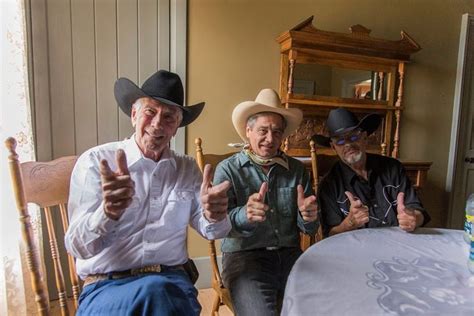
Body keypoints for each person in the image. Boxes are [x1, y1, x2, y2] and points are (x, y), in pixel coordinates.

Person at [64, 70, 232, 315]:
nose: (157, 124)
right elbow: (77, 247)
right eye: (150, 112)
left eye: (169, 118)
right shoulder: (96, 162)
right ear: (134, 115)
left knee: (159, 291)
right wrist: (107, 213)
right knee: (157, 294)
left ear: (176, 127)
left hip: (171, 283)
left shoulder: (186, 169)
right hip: (106, 286)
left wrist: (215, 215)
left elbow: (211, 231)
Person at [213, 88, 319, 315]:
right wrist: (244, 214)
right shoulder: (228, 170)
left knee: (322, 305)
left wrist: (308, 217)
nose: (270, 139)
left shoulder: (297, 170)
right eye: (263, 130)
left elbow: (309, 230)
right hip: (244, 257)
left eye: (277, 132)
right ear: (248, 131)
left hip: (290, 255)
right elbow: (217, 225)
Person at [312, 107, 430, 237]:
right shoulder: (329, 185)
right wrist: (349, 224)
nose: (348, 145)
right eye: (340, 141)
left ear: (364, 137)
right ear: (333, 147)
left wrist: (414, 219)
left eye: (353, 136)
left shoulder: (393, 168)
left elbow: (418, 212)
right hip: (357, 252)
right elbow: (329, 235)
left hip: (398, 244)